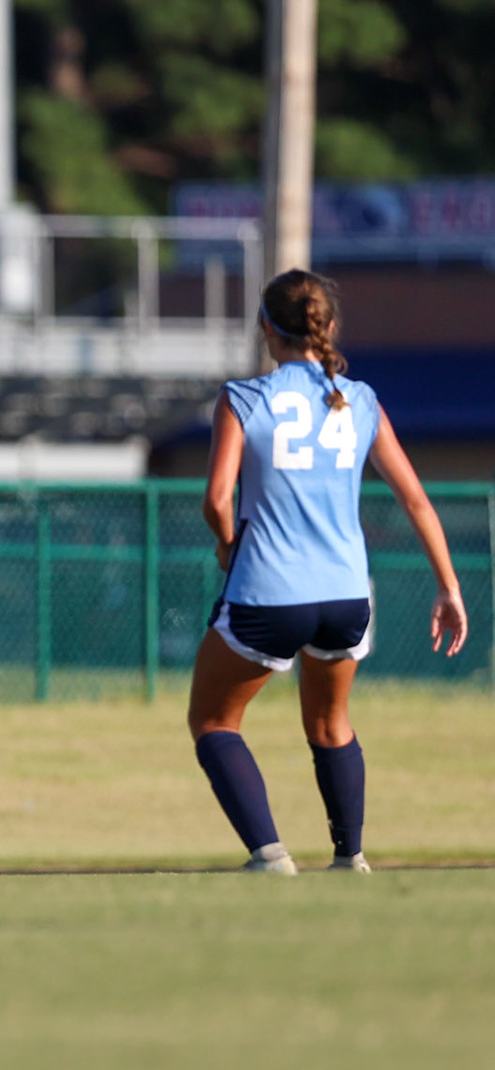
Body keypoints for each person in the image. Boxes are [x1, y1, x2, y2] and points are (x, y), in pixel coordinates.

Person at [188, 268, 467, 875]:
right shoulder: (360, 399)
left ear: (266, 327)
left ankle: (270, 855)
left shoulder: (244, 398)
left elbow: (216, 500)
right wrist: (448, 587)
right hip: (345, 595)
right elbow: (417, 500)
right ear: (328, 327)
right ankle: (350, 856)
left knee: (213, 720)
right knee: (329, 722)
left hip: (269, 592)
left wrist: (227, 543)